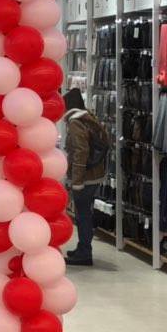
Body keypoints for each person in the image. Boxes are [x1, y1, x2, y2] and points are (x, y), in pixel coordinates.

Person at [63, 87, 110, 266]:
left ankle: (84, 253)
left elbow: (80, 152)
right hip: (95, 173)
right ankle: (83, 248)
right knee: (85, 213)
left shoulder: (75, 122)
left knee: (82, 215)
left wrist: (76, 181)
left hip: (85, 177)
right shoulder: (88, 118)